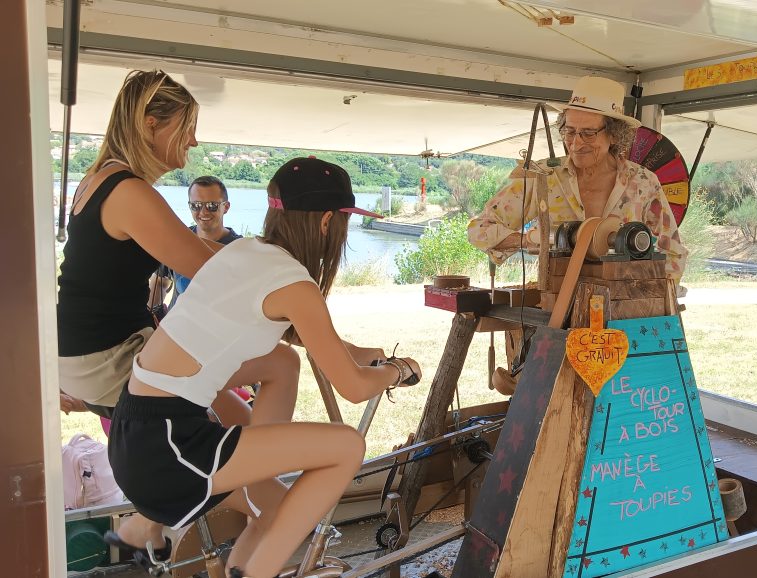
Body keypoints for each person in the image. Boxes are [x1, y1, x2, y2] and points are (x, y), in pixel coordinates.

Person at [108, 157, 422, 578]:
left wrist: (360, 352)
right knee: (347, 446)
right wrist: (399, 371)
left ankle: (242, 539)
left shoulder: (245, 252)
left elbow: (297, 335)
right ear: (326, 221)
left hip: (133, 428)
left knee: (282, 362)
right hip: (169, 447)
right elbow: (353, 387)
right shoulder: (295, 284)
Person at [55, 69, 291, 564]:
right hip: (109, 355)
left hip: (90, 352)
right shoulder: (128, 191)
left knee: (246, 409)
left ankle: (156, 521)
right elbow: (210, 271)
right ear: (149, 124)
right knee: (280, 367)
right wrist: (289, 290)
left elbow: (195, 252)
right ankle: (180, 516)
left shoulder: (101, 182)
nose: (194, 141)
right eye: (187, 128)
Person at [467, 75, 688, 282]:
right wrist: (534, 240)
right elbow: (479, 229)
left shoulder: (642, 182)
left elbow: (673, 254)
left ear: (614, 135)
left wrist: (649, 296)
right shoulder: (542, 175)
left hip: (622, 303)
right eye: (570, 132)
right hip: (556, 299)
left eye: (588, 133)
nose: (576, 143)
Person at [157, 175, 242, 308]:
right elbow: (160, 282)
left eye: (212, 205)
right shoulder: (178, 238)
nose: (203, 212)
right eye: (196, 205)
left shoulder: (239, 248)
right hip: (176, 320)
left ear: (226, 207)